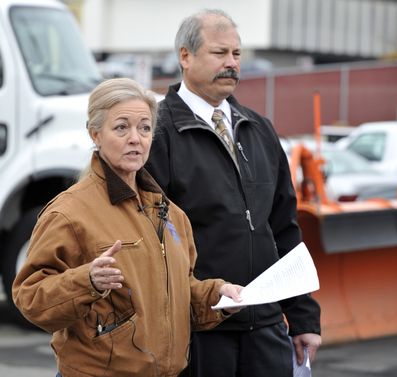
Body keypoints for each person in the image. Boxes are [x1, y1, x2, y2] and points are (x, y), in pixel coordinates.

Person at [12, 78, 243, 377]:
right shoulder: (68, 212)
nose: (136, 138)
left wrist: (218, 296)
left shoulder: (172, 215)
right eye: (121, 127)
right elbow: (30, 298)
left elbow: (177, 294)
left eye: (145, 128)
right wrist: (88, 281)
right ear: (95, 133)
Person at [145, 9, 322, 377]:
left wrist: (303, 316)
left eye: (237, 55)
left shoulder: (259, 129)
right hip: (201, 332)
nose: (231, 64)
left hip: (267, 328)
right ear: (185, 56)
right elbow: (151, 240)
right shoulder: (157, 134)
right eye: (219, 53)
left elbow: (283, 229)